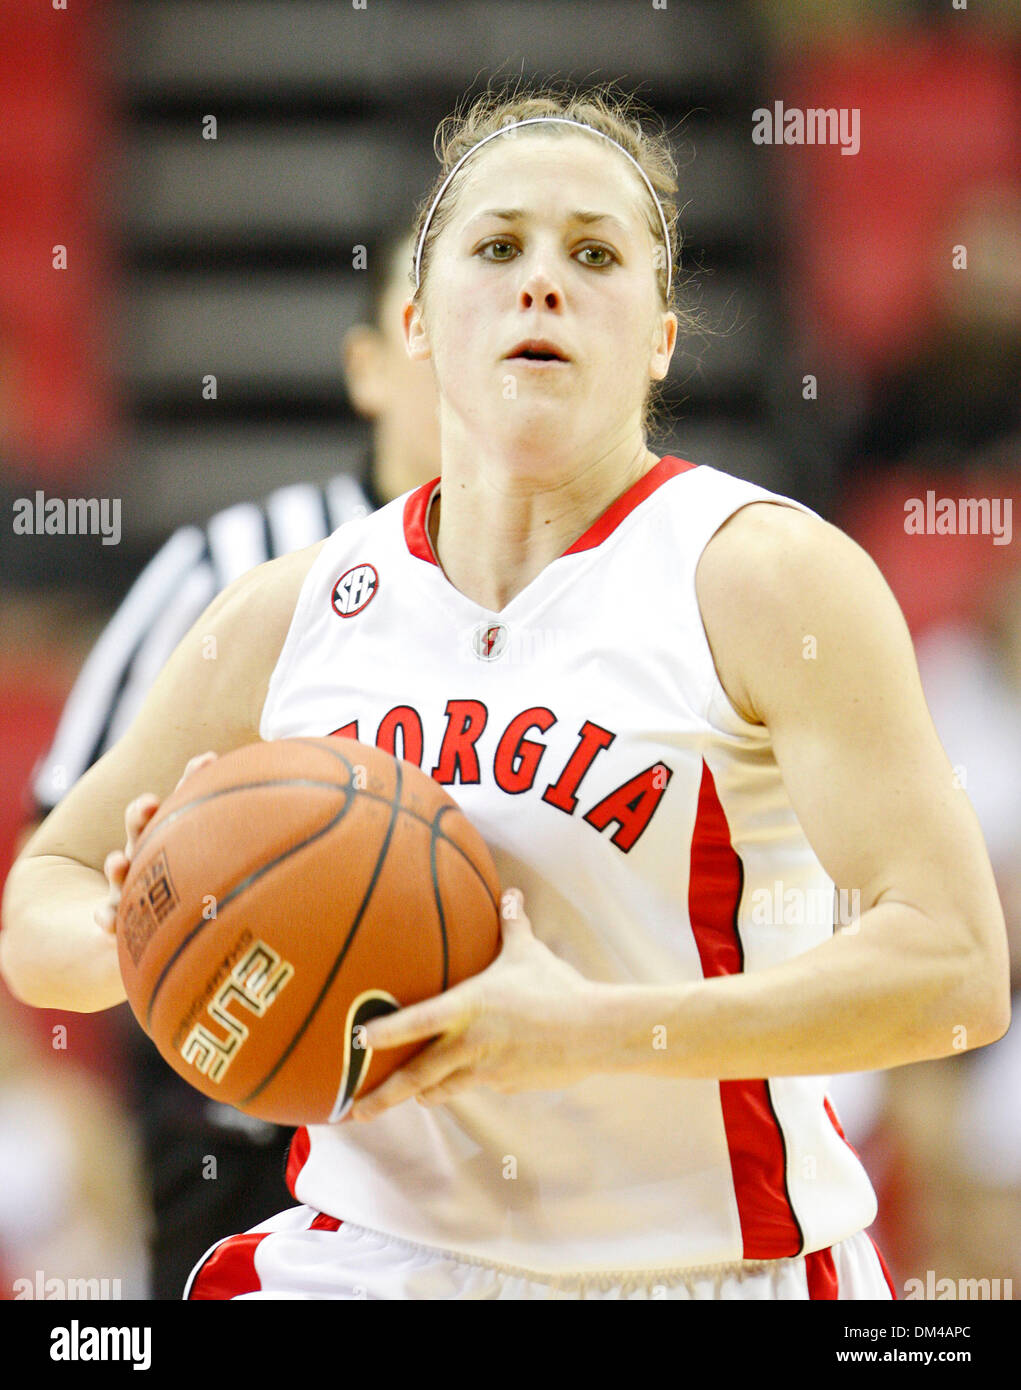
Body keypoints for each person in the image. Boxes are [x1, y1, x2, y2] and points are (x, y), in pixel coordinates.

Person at [1, 80, 1010, 1302]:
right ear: (418, 321)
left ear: (660, 336)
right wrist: (152, 932)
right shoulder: (292, 607)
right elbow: (42, 900)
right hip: (374, 1261)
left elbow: (953, 972)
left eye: (595, 253)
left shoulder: (765, 577)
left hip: (709, 1266)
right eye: (498, 246)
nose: (544, 280)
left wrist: (593, 1029)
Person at [20, 228, 440, 1299]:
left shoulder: (600, 600)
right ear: (366, 364)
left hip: (482, 1142)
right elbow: (56, 862)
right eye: (417, 320)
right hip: (247, 1138)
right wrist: (174, 931)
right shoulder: (228, 567)